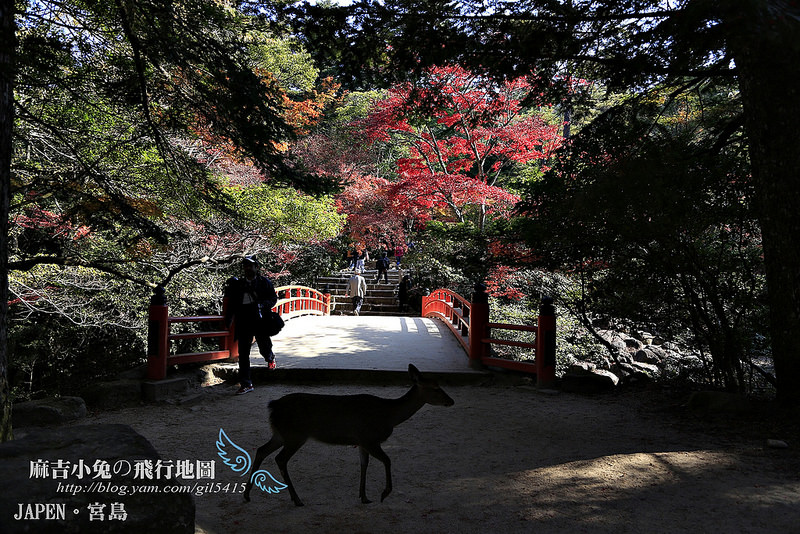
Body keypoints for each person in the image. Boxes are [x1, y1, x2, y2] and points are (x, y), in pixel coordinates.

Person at [225, 256, 278, 395]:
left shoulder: (264, 283)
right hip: (243, 320)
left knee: (264, 346)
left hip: (260, 319)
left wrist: (262, 305)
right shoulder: (239, 285)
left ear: (256, 267)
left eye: (251, 265)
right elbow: (232, 304)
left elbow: (273, 299)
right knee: (243, 353)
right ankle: (246, 383)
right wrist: (228, 320)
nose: (248, 268)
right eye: (246, 265)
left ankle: (270, 357)